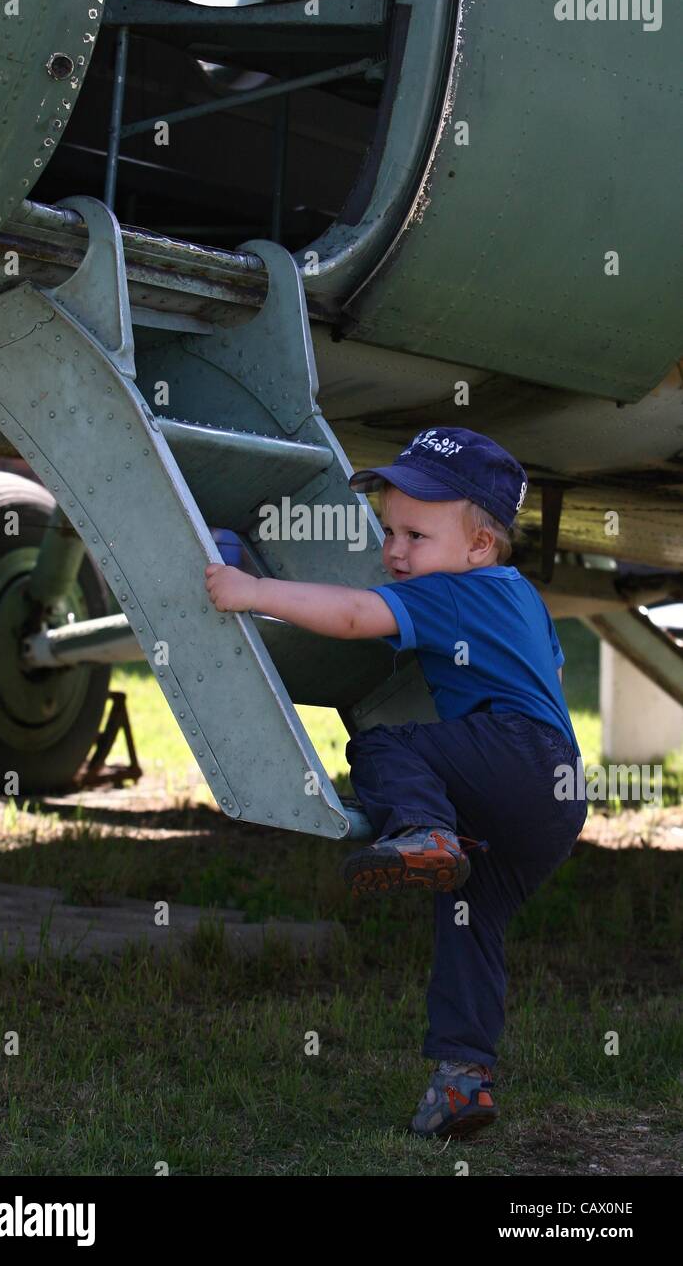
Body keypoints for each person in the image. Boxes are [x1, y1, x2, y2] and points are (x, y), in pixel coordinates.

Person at [204, 426, 587, 1140]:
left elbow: (352, 615)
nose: (395, 552)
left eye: (416, 535)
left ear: (478, 546)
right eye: (389, 532)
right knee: (470, 924)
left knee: (382, 746)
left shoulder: (455, 593)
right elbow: (554, 676)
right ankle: (461, 1080)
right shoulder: (520, 596)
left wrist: (252, 588)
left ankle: (423, 832)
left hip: (516, 755)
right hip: (556, 791)